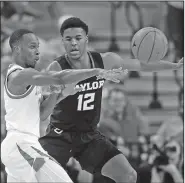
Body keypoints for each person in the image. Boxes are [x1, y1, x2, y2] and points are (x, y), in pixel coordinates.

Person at [39, 17, 183, 183]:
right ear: (62, 41)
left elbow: (140, 65)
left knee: (128, 176)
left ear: (86, 39)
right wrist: (59, 93)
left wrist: (173, 66)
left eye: (78, 38)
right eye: (68, 39)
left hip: (88, 136)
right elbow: (44, 114)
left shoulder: (105, 60)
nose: (73, 43)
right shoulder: (56, 68)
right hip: (60, 136)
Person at [1, 29, 121, 182]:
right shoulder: (20, 75)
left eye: (38, 47)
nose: (37, 52)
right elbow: (59, 77)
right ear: (17, 48)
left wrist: (59, 94)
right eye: (32, 47)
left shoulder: (28, 78)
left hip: (22, 147)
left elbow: (42, 113)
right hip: (21, 146)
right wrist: (97, 71)